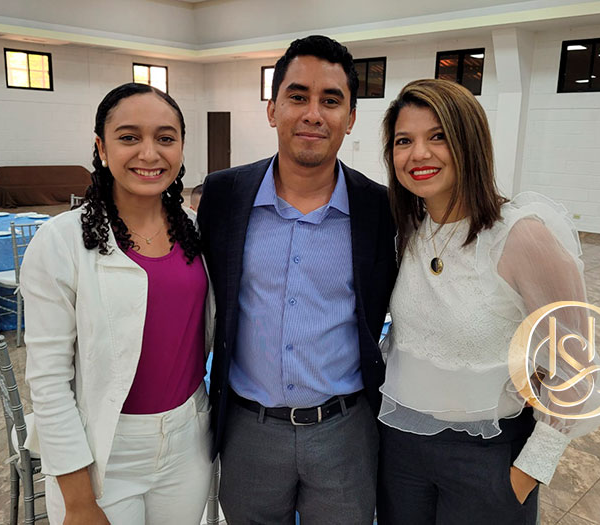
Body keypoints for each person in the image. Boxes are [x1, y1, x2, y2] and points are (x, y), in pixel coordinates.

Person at [375, 78, 600, 524]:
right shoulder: (409, 231)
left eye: (438, 136)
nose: (418, 154)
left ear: (470, 143)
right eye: (404, 141)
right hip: (401, 448)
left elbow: (577, 368)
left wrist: (528, 472)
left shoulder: (520, 235)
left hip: (487, 456)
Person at [198, 35, 397, 524]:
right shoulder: (224, 196)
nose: (313, 113)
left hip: (344, 432)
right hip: (249, 431)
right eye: (298, 96)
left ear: (350, 118)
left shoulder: (379, 208)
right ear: (272, 110)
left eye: (330, 100)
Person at [20, 83, 214, 525]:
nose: (149, 153)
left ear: (181, 148)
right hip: (104, 450)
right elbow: (49, 381)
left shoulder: (196, 230)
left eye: (165, 138)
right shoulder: (62, 241)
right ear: (101, 148)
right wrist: (78, 500)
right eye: (129, 137)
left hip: (187, 439)